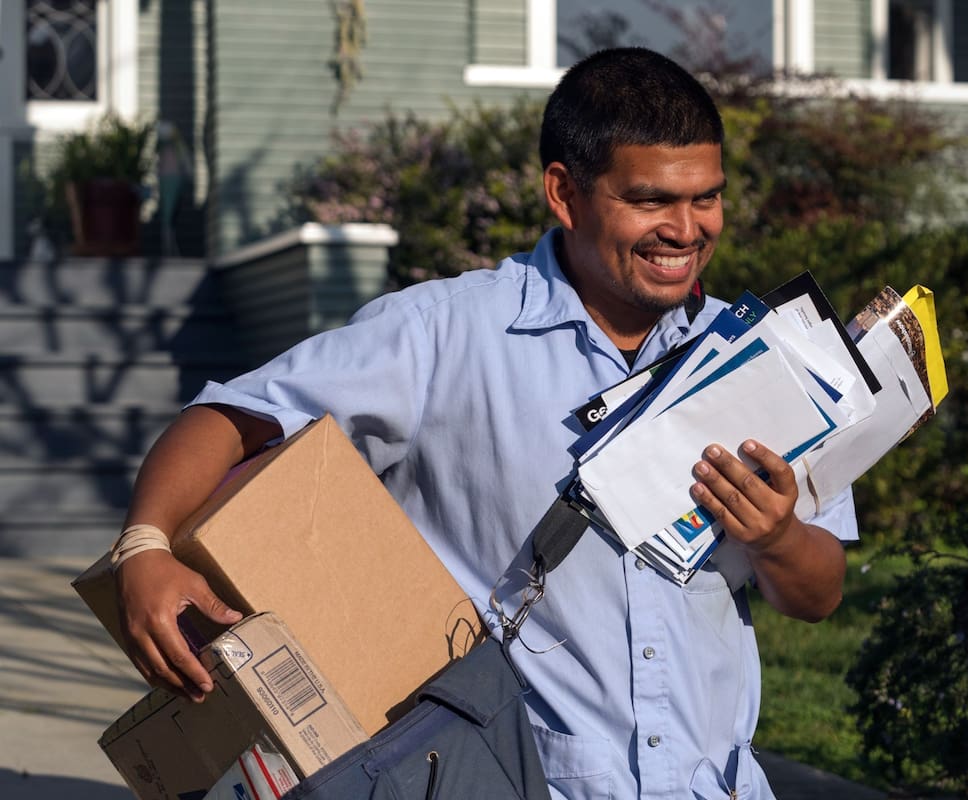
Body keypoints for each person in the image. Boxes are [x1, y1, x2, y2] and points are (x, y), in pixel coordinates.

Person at [113, 47, 851, 799]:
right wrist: (143, 548)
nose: (687, 230)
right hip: (507, 782)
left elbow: (818, 594)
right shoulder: (446, 333)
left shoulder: (762, 356)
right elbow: (229, 415)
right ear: (565, 193)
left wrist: (776, 538)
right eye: (652, 200)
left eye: (707, 199)